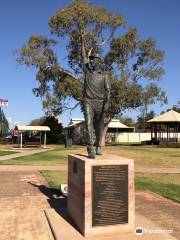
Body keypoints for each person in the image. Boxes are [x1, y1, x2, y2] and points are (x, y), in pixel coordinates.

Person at [81, 34, 111, 158]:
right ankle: (90, 148)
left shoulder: (105, 75)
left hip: (100, 103)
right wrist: (82, 42)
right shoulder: (87, 71)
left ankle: (98, 145)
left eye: (93, 59)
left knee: (99, 127)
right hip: (89, 102)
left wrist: (107, 104)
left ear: (99, 61)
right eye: (91, 59)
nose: (91, 61)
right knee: (88, 125)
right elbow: (83, 57)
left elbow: (108, 91)